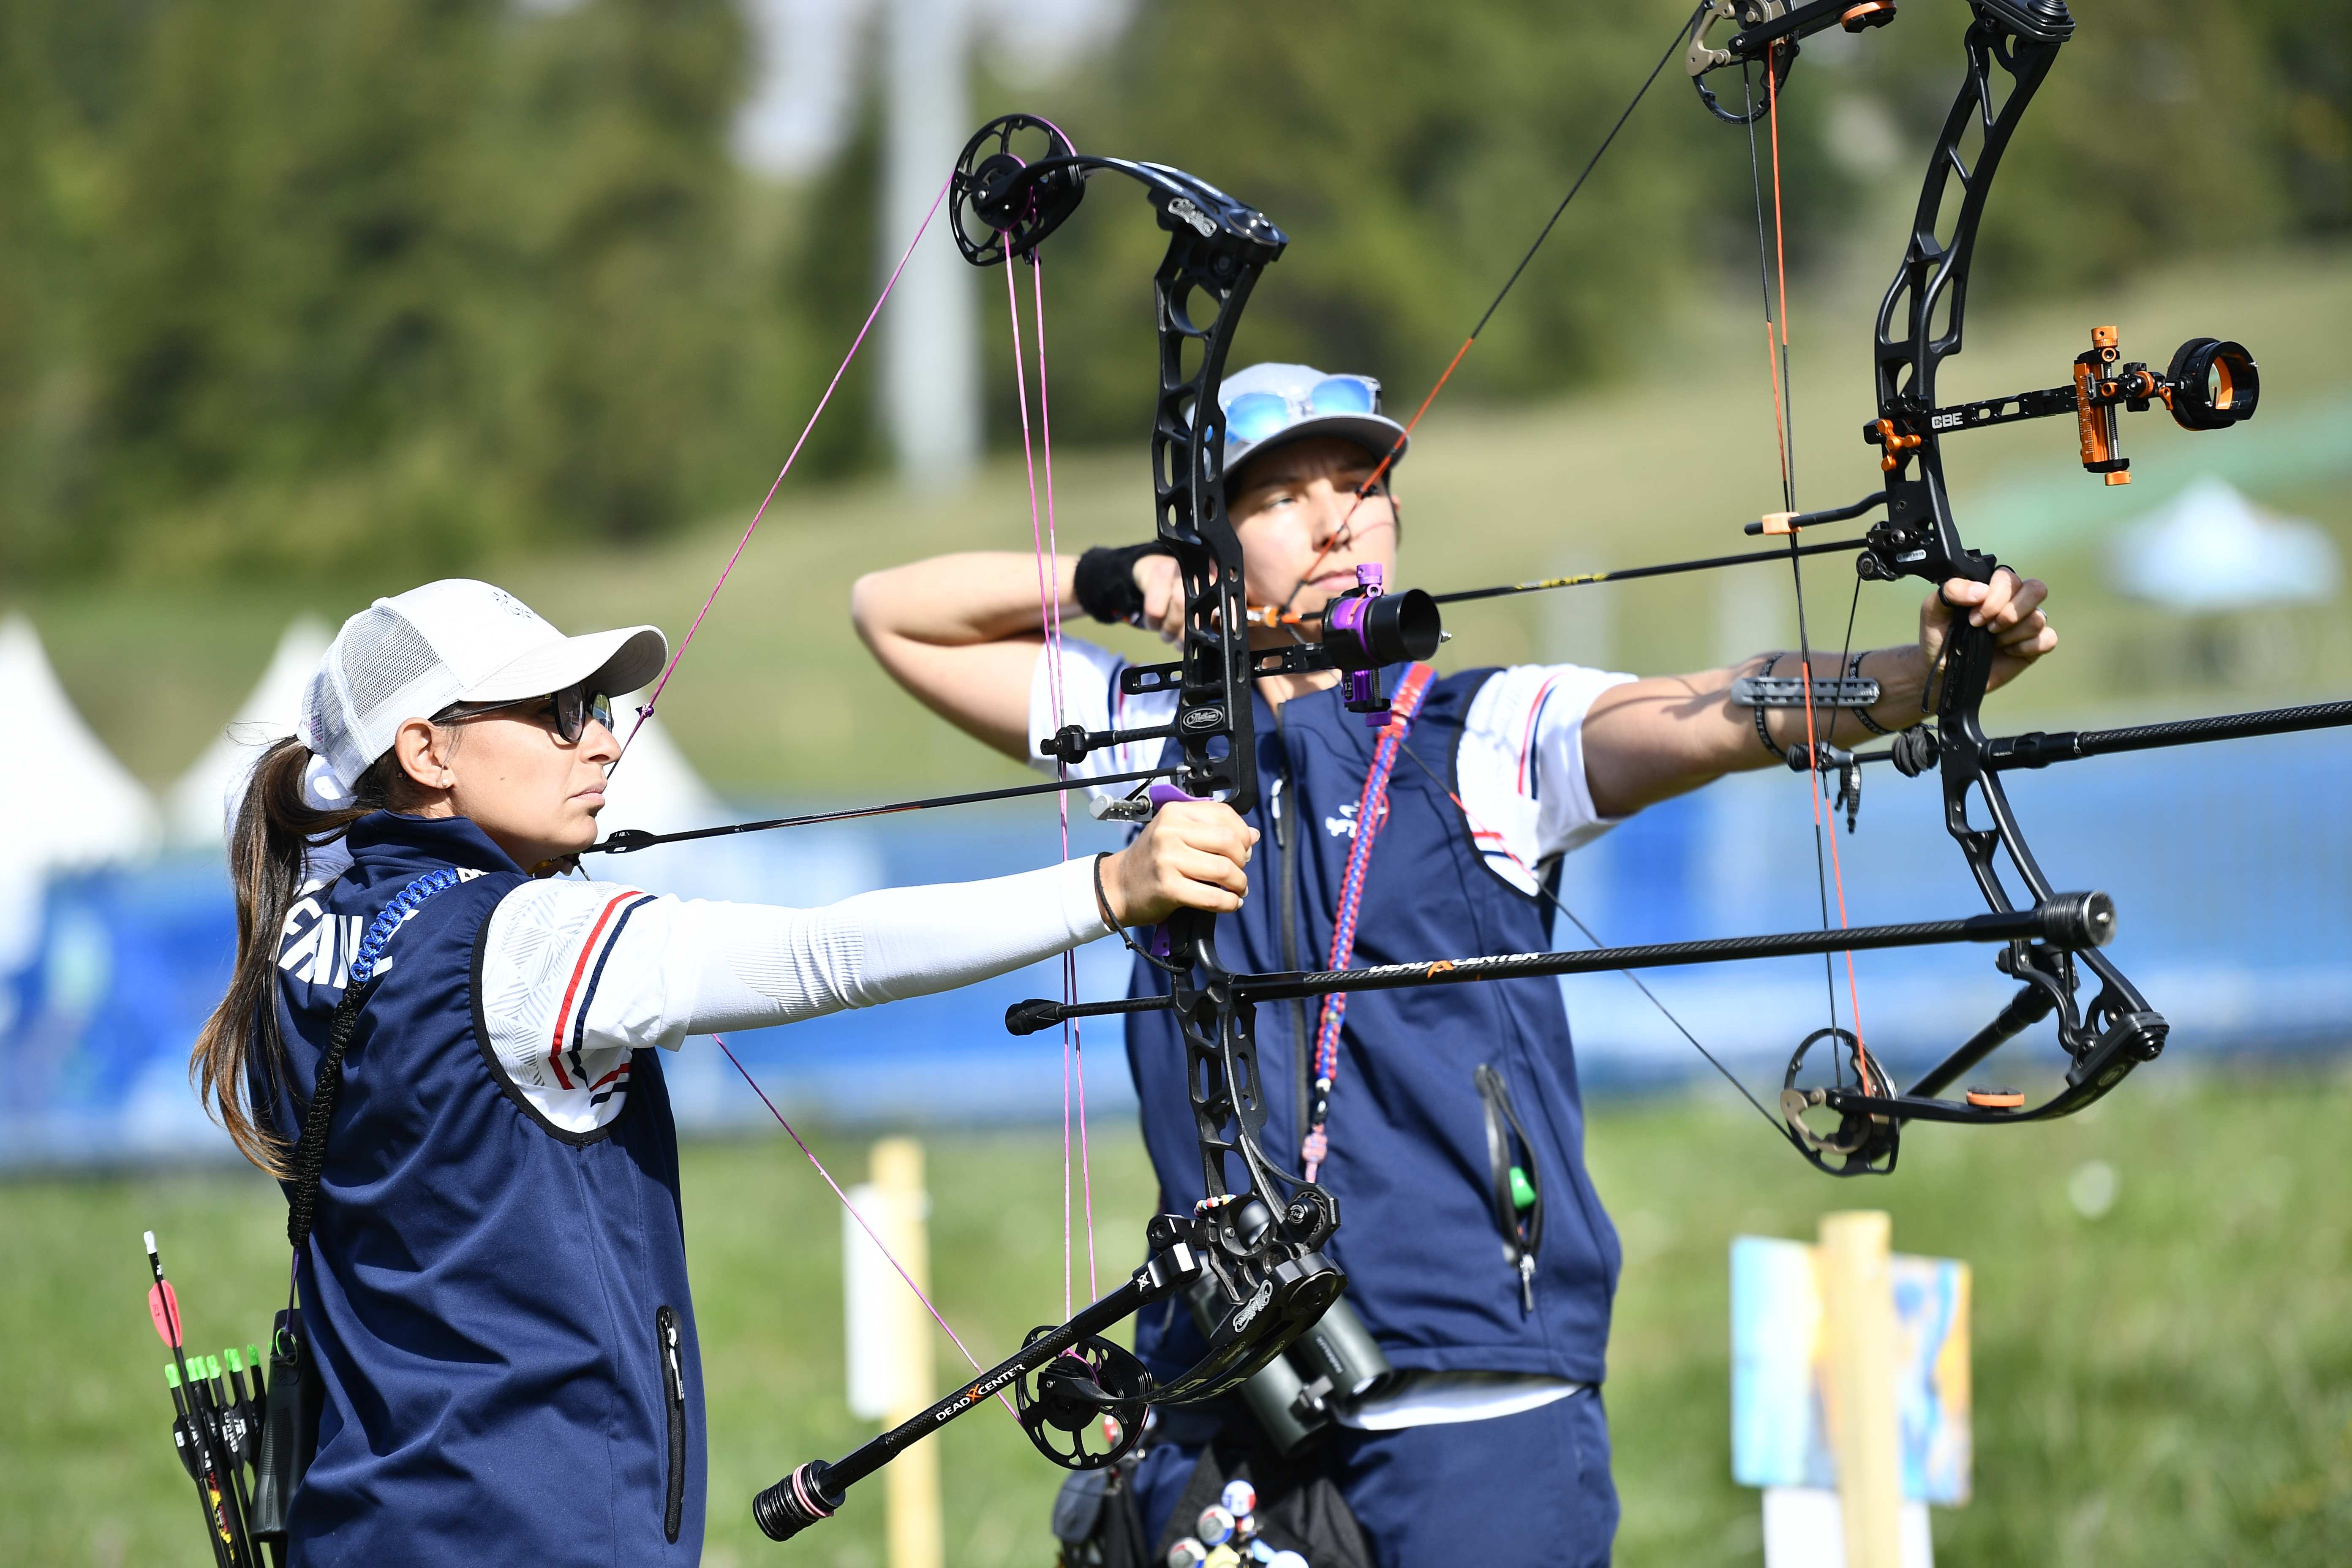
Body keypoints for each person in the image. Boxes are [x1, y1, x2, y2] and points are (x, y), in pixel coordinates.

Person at [849, 362, 2059, 1565]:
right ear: (1213, 543)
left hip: (1473, 1398)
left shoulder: (1484, 734)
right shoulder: (1157, 745)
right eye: (1279, 498)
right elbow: (889, 611)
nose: (1334, 519)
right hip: (1229, 1402)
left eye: (1360, 484)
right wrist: (1112, 578)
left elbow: (1728, 708)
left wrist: (1921, 679)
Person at [189, 577, 1258, 1564]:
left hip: (367, 1520)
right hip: (534, 1526)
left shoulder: (310, 927)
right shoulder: (522, 940)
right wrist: (1114, 886)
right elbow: (824, 957)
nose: (603, 739)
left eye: (596, 708)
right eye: (558, 712)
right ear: (427, 751)